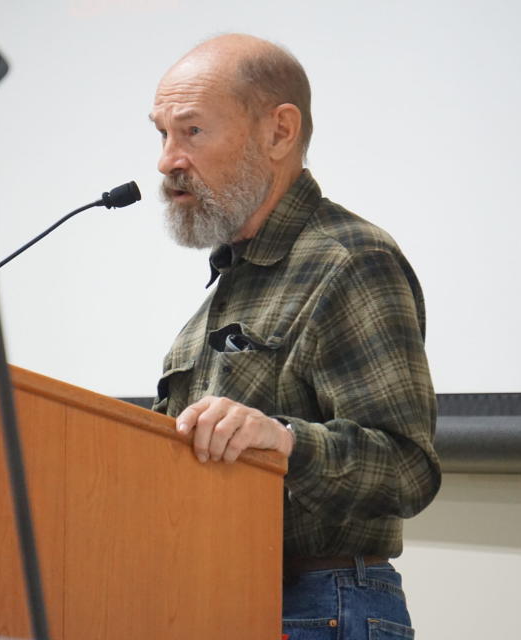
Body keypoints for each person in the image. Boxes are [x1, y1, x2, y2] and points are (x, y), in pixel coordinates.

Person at [149, 33, 442, 639]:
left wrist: (283, 442)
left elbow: (408, 469)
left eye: (192, 132)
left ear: (279, 131)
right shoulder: (233, 280)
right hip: (217, 592)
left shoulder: (348, 261)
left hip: (321, 605)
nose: (167, 160)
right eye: (162, 134)